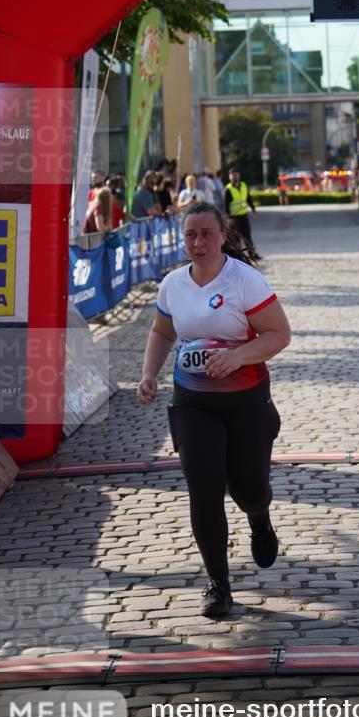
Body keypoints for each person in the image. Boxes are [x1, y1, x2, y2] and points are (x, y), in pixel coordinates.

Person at [137, 203, 291, 618]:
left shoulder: (243, 280)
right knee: (204, 491)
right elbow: (162, 330)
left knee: (247, 487)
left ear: (223, 235)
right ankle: (218, 584)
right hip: (193, 402)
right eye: (190, 235)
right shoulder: (173, 284)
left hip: (246, 401)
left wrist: (239, 356)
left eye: (206, 234)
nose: (198, 243)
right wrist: (149, 374)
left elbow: (279, 333)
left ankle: (259, 516)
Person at [224, 167, 261, 261]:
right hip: (234, 217)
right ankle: (238, 256)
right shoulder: (228, 189)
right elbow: (226, 204)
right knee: (236, 238)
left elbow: (248, 198)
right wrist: (229, 217)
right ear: (229, 177)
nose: (234, 177)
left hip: (244, 215)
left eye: (236, 174)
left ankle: (252, 254)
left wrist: (253, 209)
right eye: (232, 175)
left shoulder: (244, 185)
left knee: (247, 235)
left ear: (239, 175)